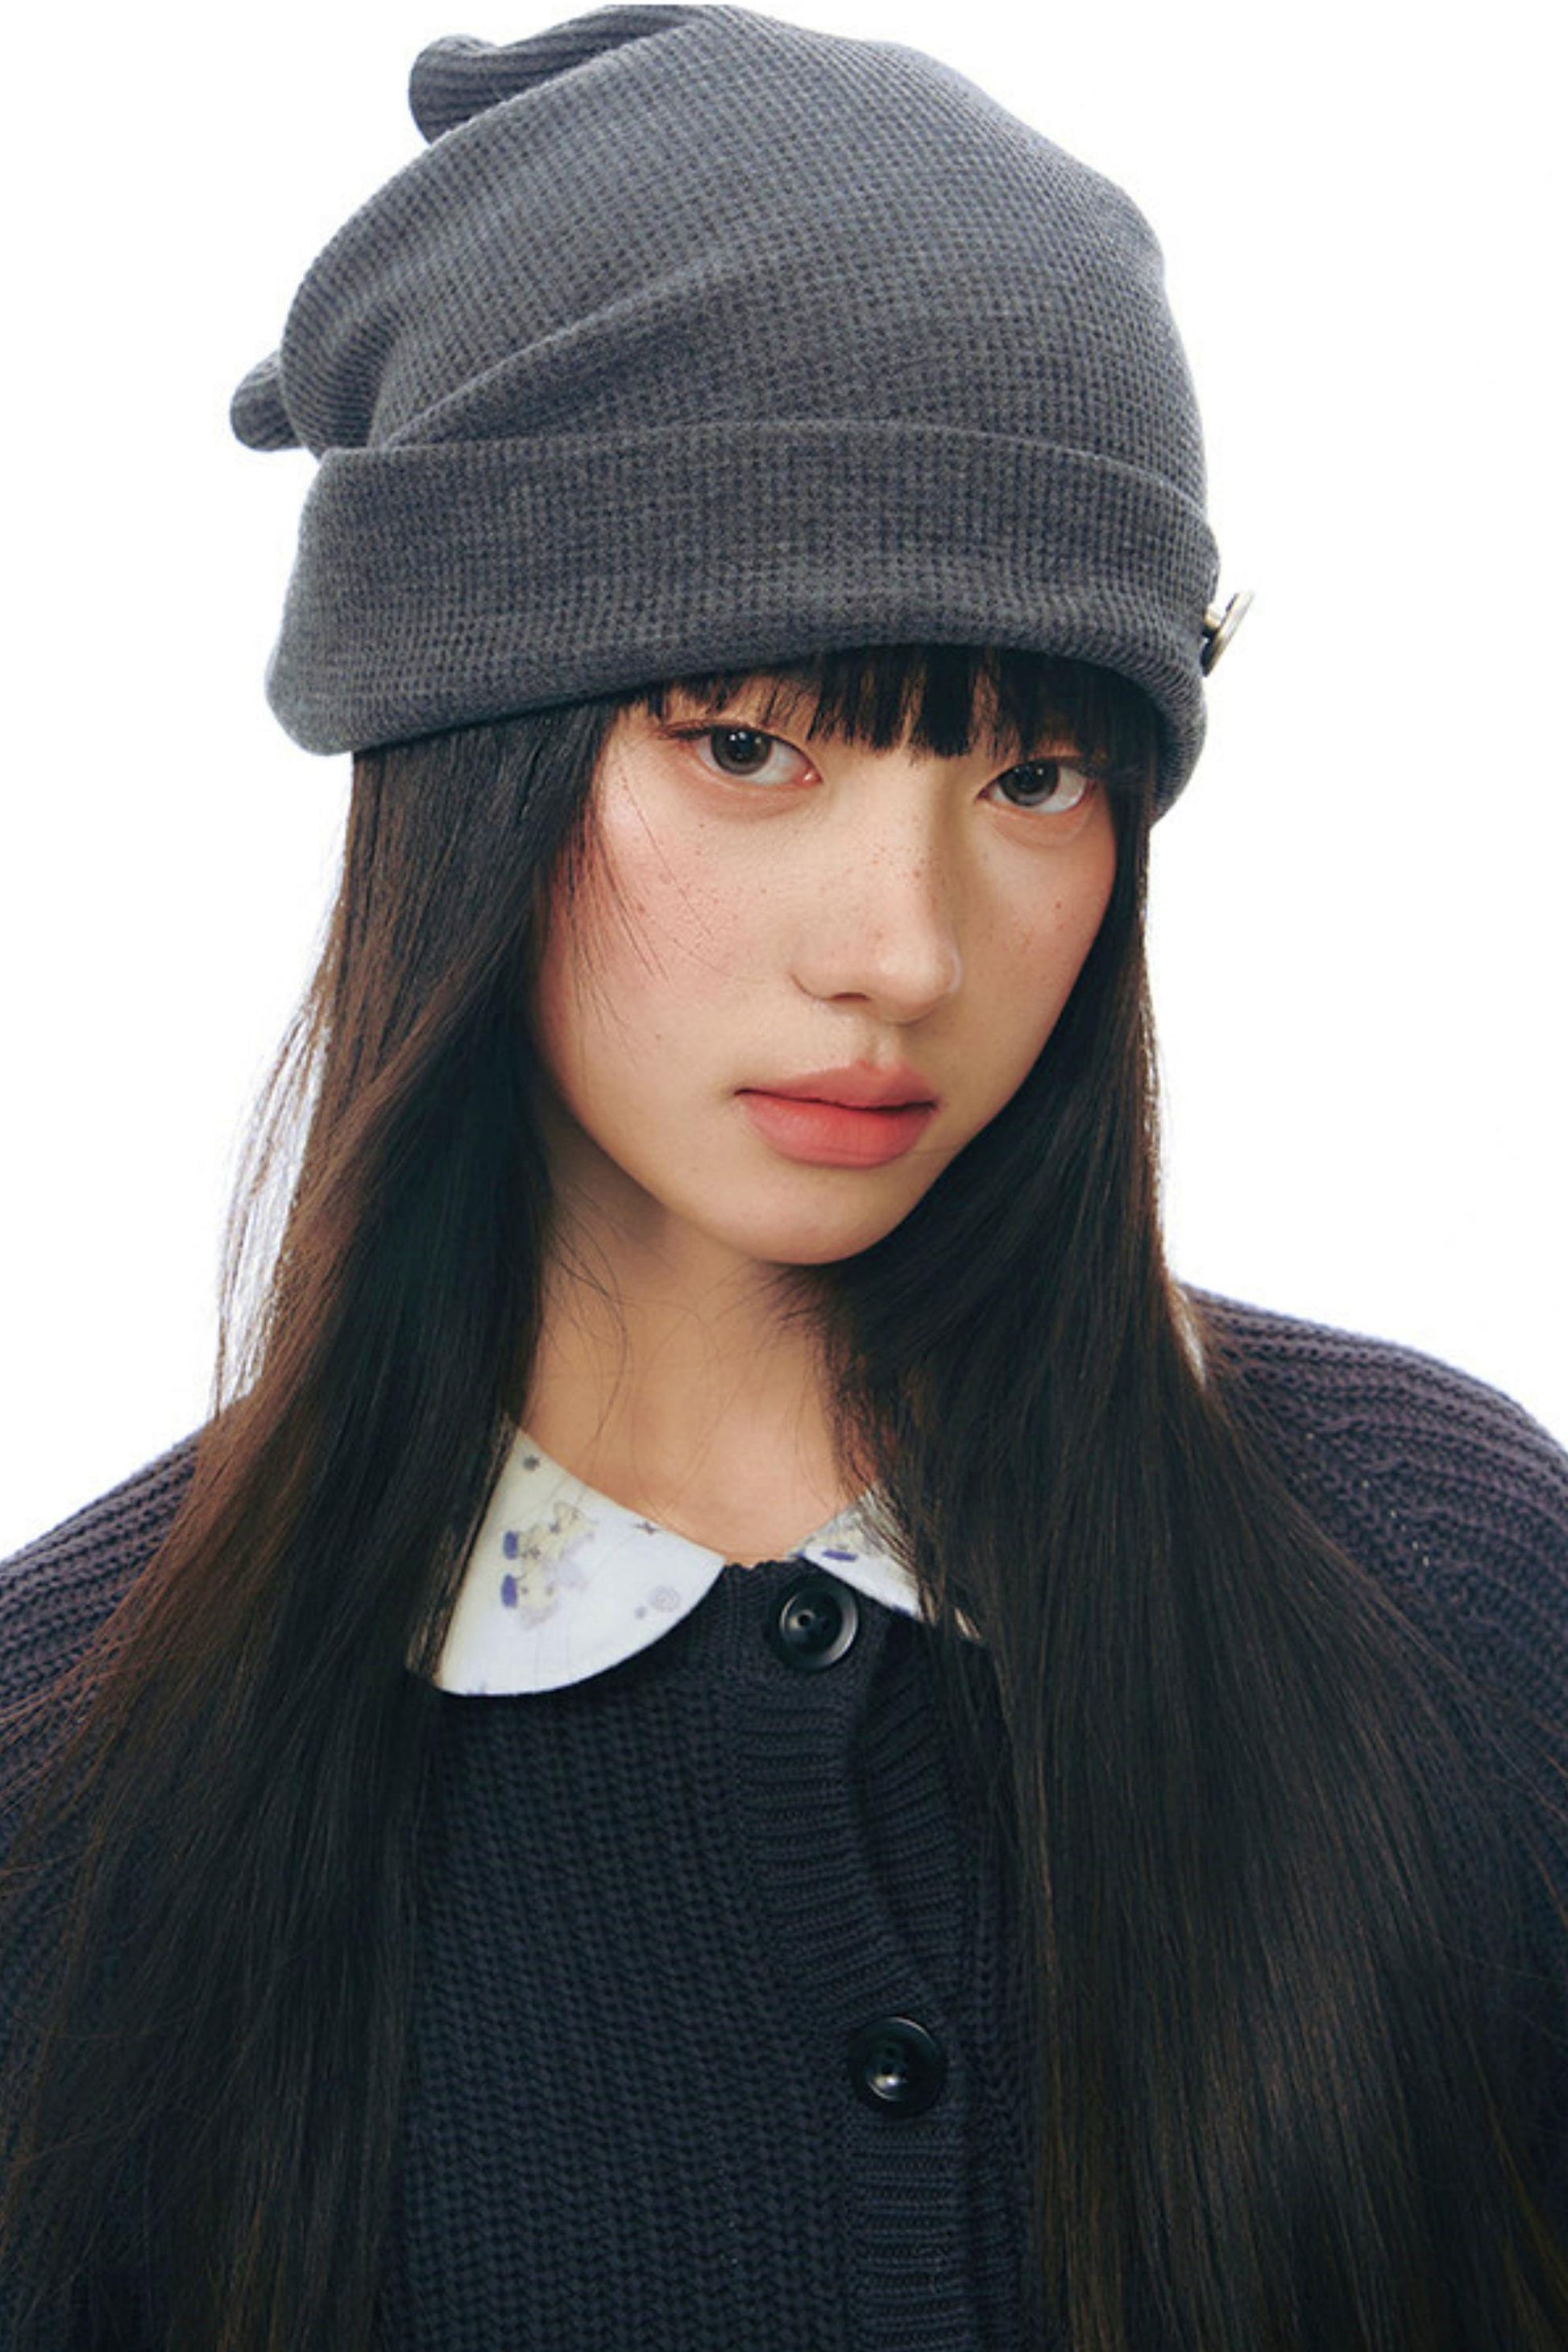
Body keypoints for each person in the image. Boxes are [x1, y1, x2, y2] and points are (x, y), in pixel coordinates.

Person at [2, 6, 1565, 2346]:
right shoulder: (74, 1787)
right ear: (471, 750)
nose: (904, 953)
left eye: (1033, 778)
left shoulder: (1444, 1586)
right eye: (747, 746)